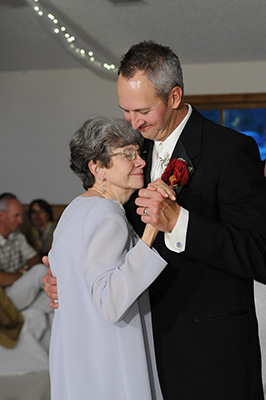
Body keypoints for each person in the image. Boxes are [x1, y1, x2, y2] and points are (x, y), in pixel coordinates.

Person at [44, 41, 266, 399]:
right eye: (125, 110)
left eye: (142, 110)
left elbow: (259, 253)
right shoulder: (131, 158)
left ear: (174, 96)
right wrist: (69, 279)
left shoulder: (231, 150)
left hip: (210, 354)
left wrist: (180, 222)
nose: (133, 122)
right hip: (140, 350)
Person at [48, 116, 171, 400]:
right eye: (127, 154)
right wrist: (152, 228)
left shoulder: (74, 209)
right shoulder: (108, 215)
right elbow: (111, 302)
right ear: (97, 167)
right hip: (110, 362)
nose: (140, 161)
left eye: (138, 153)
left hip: (78, 358)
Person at [0, 192, 49, 312]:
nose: (21, 220)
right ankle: (74, 291)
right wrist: (21, 275)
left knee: (52, 302)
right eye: (16, 216)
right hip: (4, 297)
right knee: (40, 271)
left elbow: (34, 258)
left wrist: (24, 268)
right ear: (2, 215)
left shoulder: (17, 236)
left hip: (20, 290)